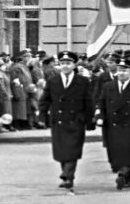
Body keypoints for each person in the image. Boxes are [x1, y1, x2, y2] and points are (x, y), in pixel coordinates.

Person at [38, 50, 95, 190]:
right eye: (62, 63)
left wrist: (89, 121)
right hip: (58, 120)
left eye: (68, 63)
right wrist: (42, 116)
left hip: (76, 120)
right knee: (61, 150)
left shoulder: (83, 81)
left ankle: (68, 175)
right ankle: (66, 173)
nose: (65, 66)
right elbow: (45, 99)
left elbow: (89, 102)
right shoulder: (53, 81)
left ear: (74, 65)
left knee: (73, 149)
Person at [96, 57, 130, 190]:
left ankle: (122, 174)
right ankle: (127, 177)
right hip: (113, 125)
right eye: (119, 70)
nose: (121, 73)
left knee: (129, 152)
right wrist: (100, 117)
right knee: (116, 153)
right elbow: (101, 104)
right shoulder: (108, 86)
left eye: (125, 71)